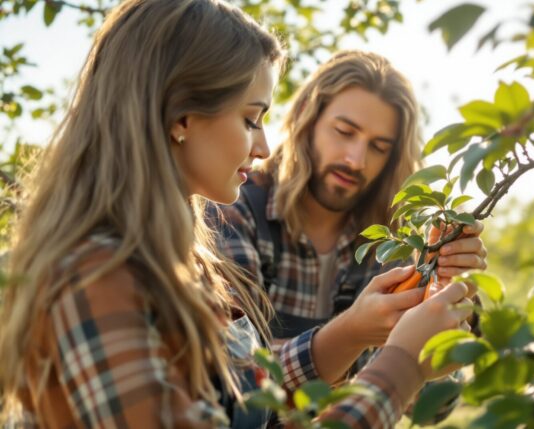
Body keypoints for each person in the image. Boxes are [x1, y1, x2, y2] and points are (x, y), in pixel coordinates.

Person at [0, 1, 475, 428]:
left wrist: (392, 321)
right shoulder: (96, 275)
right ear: (180, 116)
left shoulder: (180, 262)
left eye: (378, 147)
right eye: (250, 119)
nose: (264, 145)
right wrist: (402, 362)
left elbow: (251, 408)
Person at [209, 50, 487, 422]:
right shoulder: (232, 208)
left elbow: (432, 410)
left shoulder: (392, 244)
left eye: (378, 147)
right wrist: (353, 333)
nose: (356, 159)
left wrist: (447, 297)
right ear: (309, 114)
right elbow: (239, 388)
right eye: (345, 132)